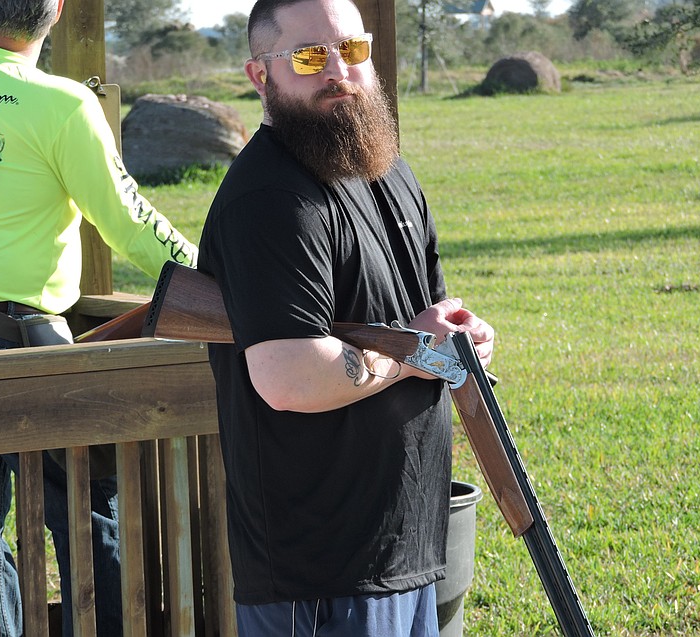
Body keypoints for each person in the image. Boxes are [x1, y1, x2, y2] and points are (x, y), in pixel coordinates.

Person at [0, 0, 198, 635]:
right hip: (17, 338)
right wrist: (214, 271)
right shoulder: (64, 104)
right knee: (90, 510)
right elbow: (129, 224)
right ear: (56, 11)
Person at [197, 0, 495, 635]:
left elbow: (426, 315)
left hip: (405, 544)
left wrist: (460, 339)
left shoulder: (383, 167)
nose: (338, 71)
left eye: (353, 51)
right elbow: (288, 376)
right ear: (260, 76)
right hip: (322, 570)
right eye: (309, 57)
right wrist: (417, 350)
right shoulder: (270, 198)